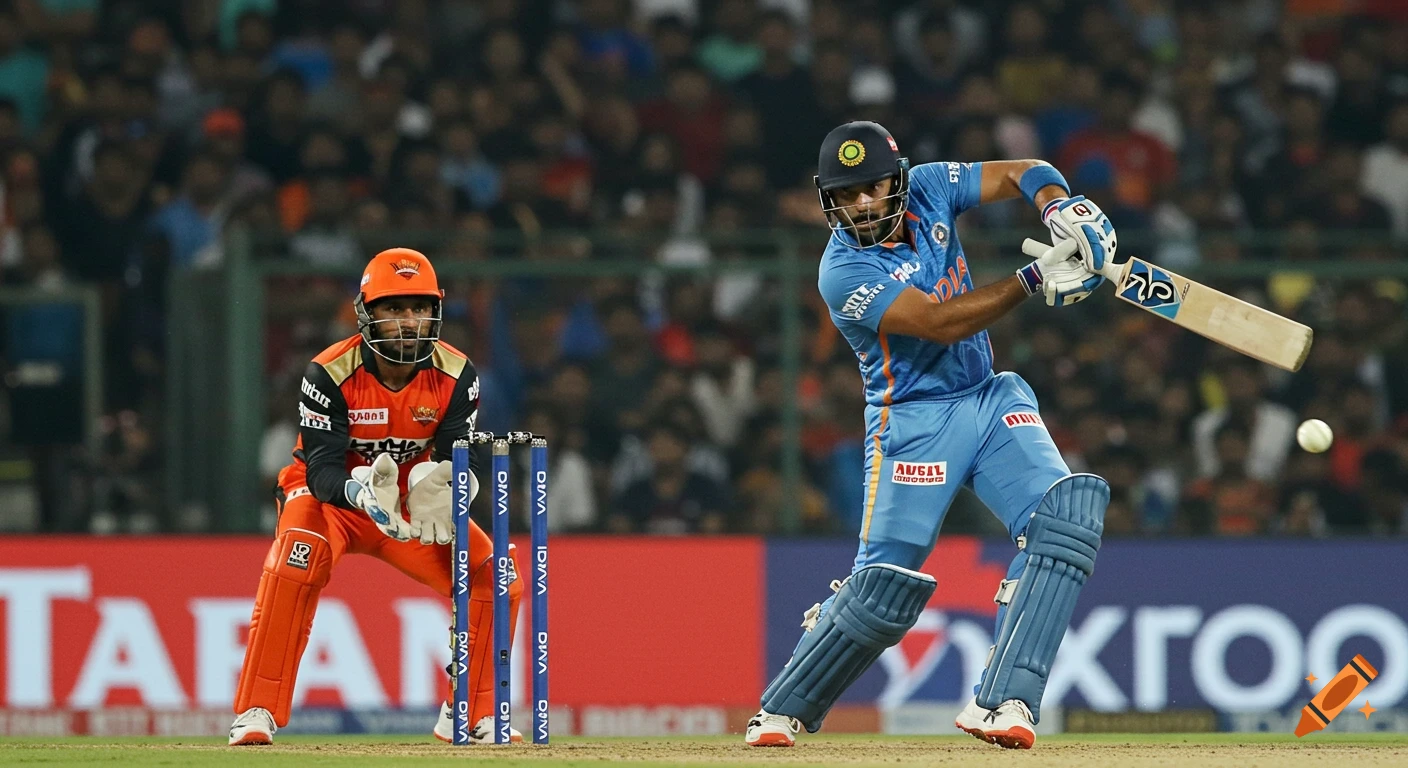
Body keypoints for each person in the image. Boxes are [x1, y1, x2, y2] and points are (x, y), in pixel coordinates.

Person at [745, 121, 1115, 750]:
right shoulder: (841, 271)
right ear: (827, 199)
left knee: (1068, 515)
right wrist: (1034, 278)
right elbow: (938, 323)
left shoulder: (928, 188)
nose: (862, 203)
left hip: (986, 396)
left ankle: (1006, 702)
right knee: (884, 588)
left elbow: (1021, 168)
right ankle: (781, 709)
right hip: (912, 420)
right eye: (847, 193)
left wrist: (1060, 207)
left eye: (872, 187)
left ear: (896, 177)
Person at [229, 248, 523, 746]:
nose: (409, 322)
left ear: (436, 310)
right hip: (333, 499)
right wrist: (358, 493)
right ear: (366, 312)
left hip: (411, 503)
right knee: (297, 558)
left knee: (500, 576)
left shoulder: (458, 375)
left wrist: (452, 490)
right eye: (394, 308)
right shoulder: (328, 372)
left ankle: (470, 713)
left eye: (419, 308)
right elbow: (320, 468)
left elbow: (465, 459)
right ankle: (257, 709)